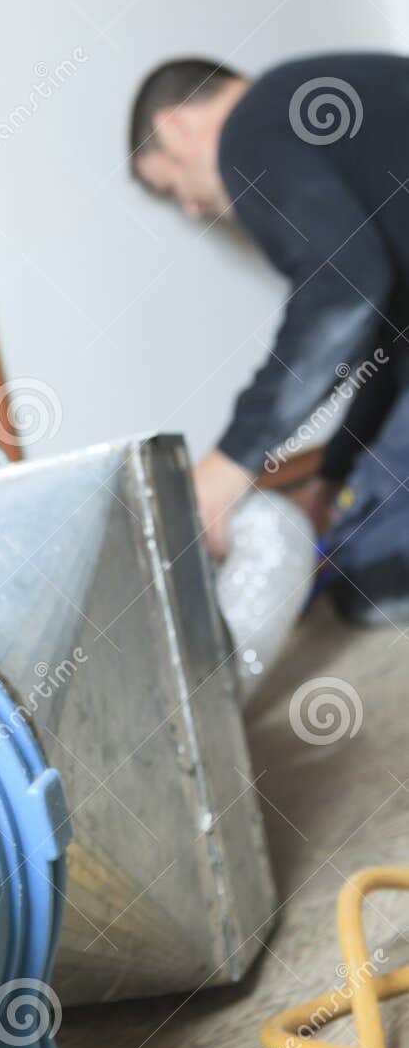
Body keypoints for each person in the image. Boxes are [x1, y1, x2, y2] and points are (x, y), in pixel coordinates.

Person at [129, 51, 409, 623]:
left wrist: (232, 461)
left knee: (373, 572)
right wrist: (331, 475)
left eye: (172, 185)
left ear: (175, 124)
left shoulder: (250, 128)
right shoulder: (316, 105)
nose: (191, 205)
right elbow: (388, 337)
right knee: (364, 531)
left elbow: (342, 288)